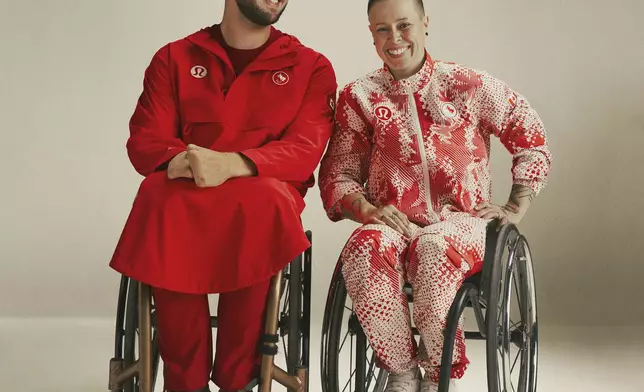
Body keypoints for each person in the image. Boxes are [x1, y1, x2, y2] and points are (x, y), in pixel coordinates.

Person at [318, 0, 552, 391]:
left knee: (432, 247)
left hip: (463, 224)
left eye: (404, 25)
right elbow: (338, 173)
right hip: (394, 222)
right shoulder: (360, 97)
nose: (394, 39)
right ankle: (401, 372)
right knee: (362, 248)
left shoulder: (468, 85)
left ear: (425, 24)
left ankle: (437, 372)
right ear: (371, 34)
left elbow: (530, 135)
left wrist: (516, 205)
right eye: (381, 29)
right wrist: (367, 209)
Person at [108, 0, 337, 390]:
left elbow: (303, 150)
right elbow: (145, 140)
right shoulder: (174, 58)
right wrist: (182, 161)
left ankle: (239, 378)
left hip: (261, 203)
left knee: (264, 199)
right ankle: (185, 380)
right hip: (185, 196)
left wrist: (230, 164)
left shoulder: (311, 67)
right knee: (155, 193)